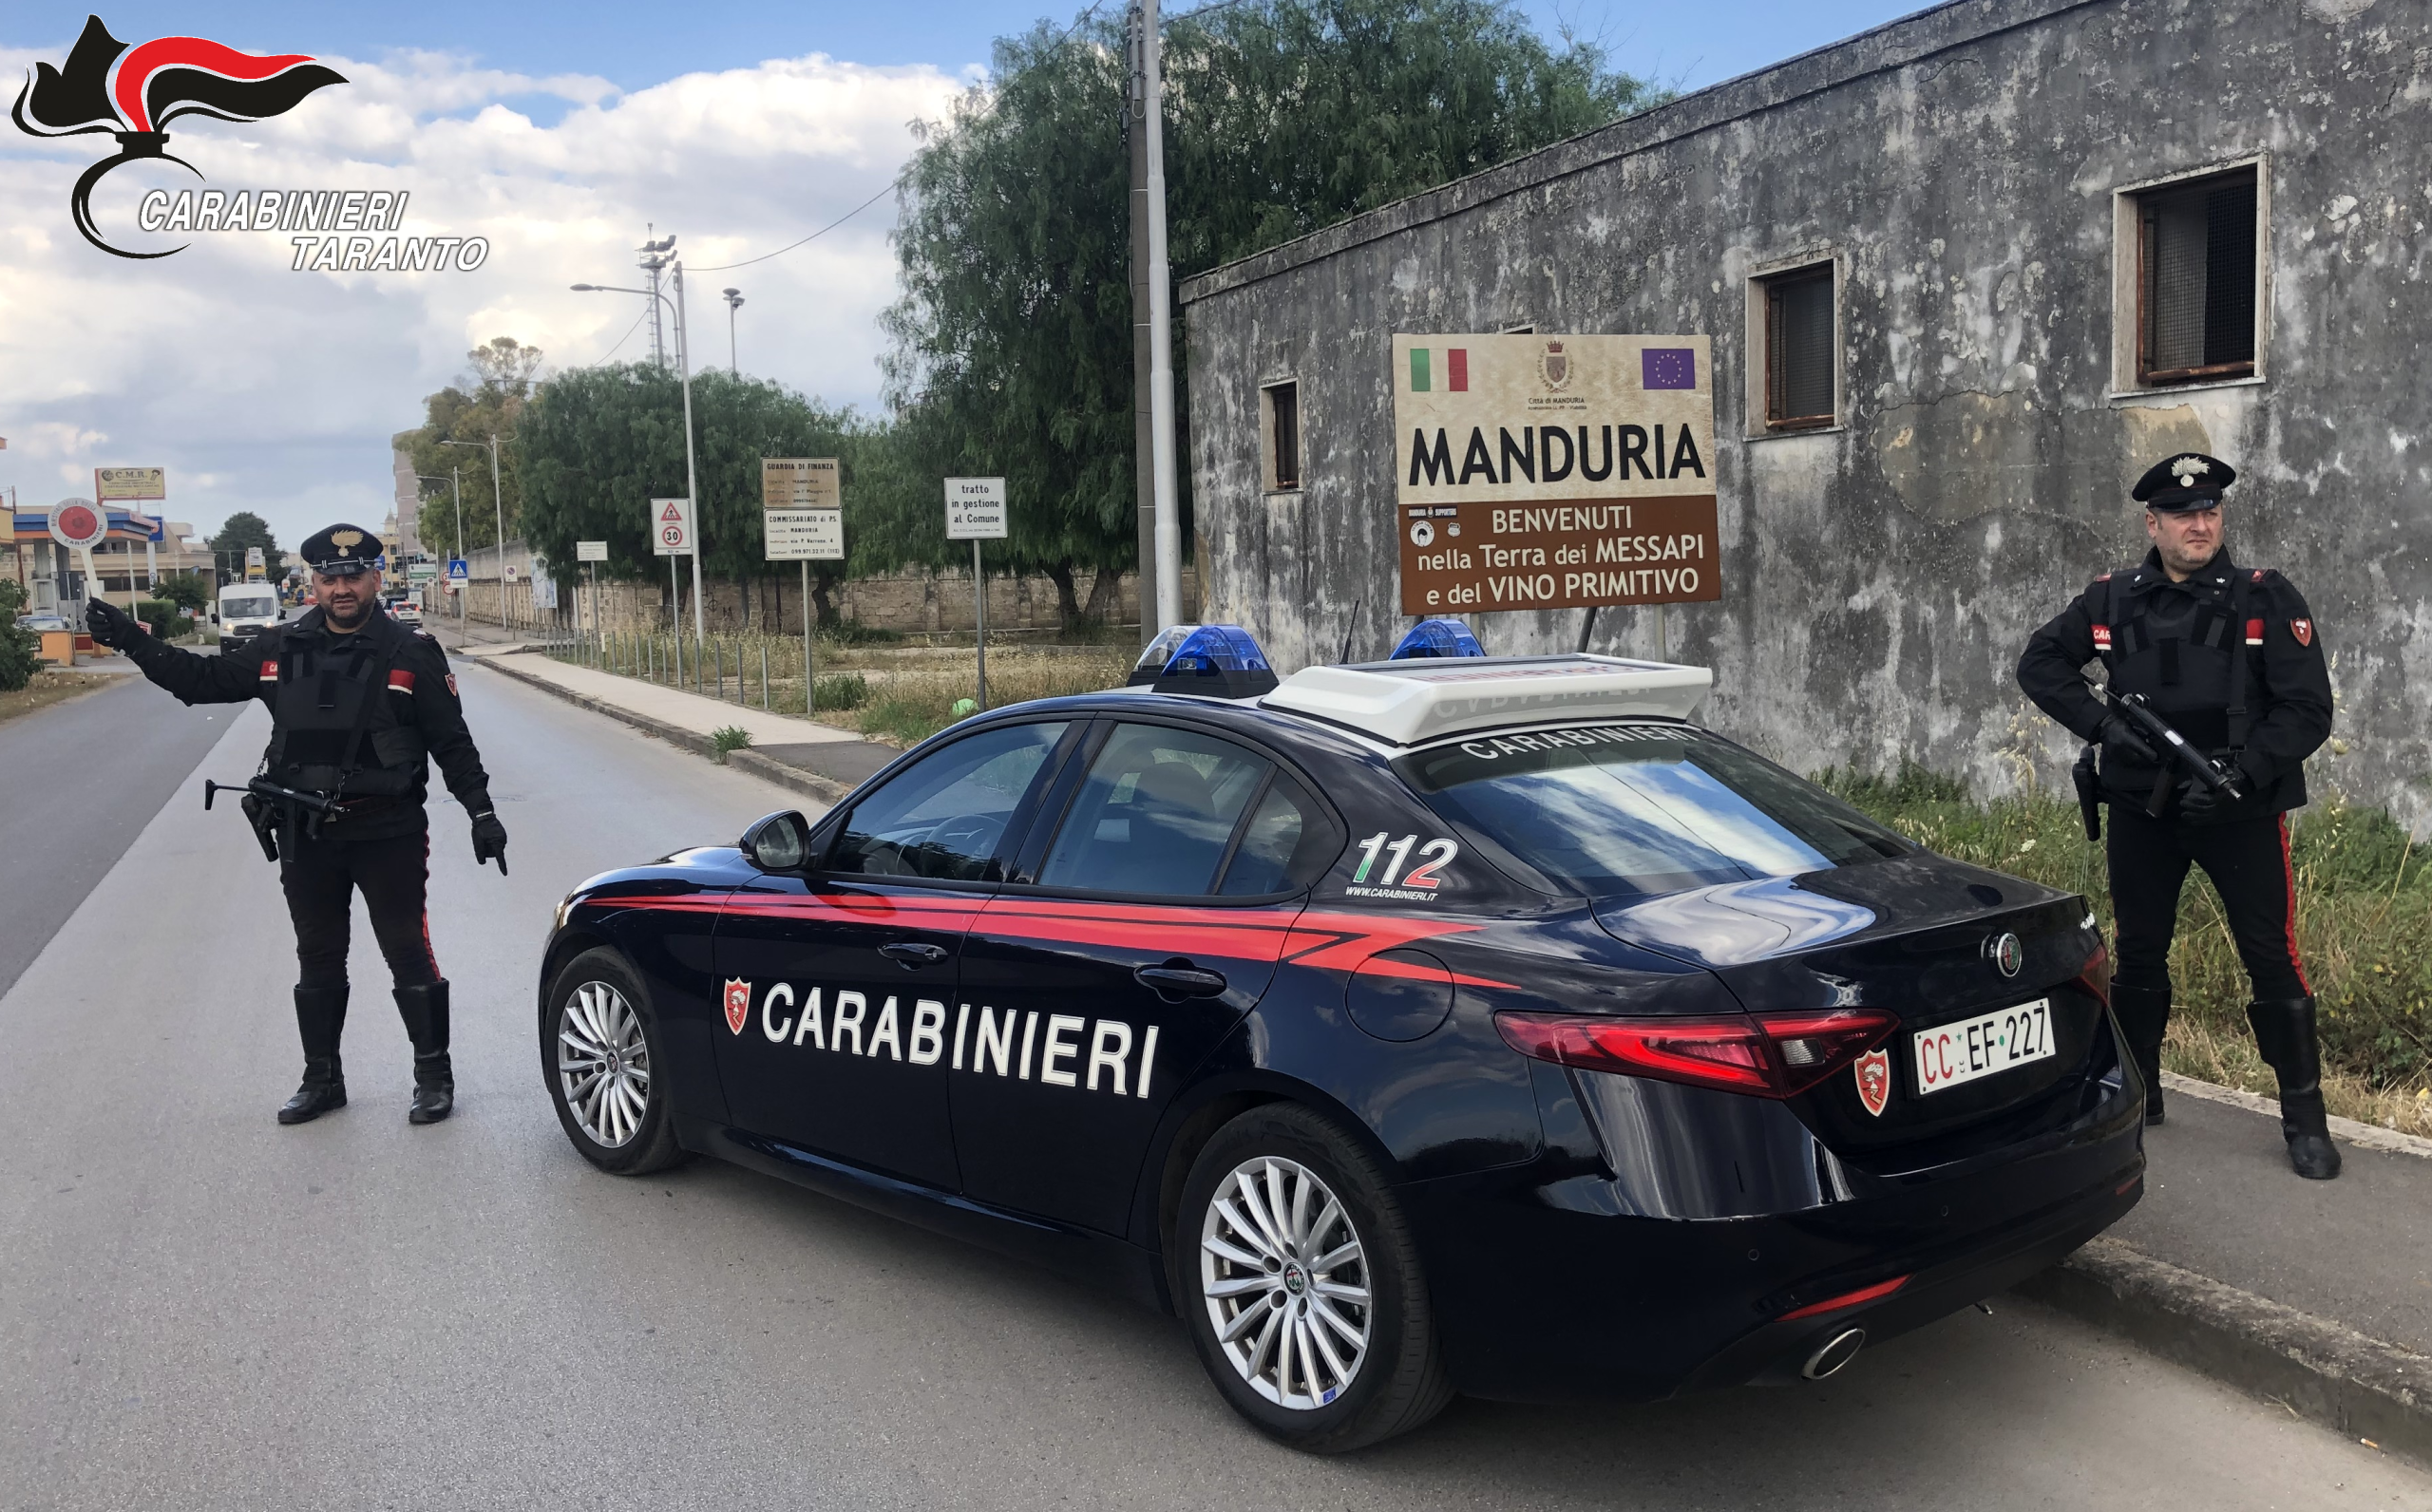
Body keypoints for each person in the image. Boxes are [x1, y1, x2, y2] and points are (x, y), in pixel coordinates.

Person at [86, 524, 507, 1126]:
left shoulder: (410, 653)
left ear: (375, 579)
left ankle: (433, 1077)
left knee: (407, 951)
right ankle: (322, 1080)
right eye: (330, 577)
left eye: (354, 576)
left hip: (387, 831)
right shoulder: (276, 648)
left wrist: (482, 812)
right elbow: (197, 681)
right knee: (318, 955)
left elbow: (452, 743)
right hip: (306, 835)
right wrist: (130, 638)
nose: (341, 588)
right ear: (313, 580)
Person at [2017, 453, 2337, 1179]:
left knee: (2270, 954)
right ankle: (2142, 1093)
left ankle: (2306, 1116)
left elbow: (2308, 711)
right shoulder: (2110, 599)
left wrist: (2243, 771)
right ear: (2152, 522)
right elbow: (2040, 664)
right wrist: (2101, 727)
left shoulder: (2264, 598)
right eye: (2183, 514)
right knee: (2140, 951)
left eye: (2211, 512)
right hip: (2141, 808)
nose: (2201, 524)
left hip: (2240, 810)